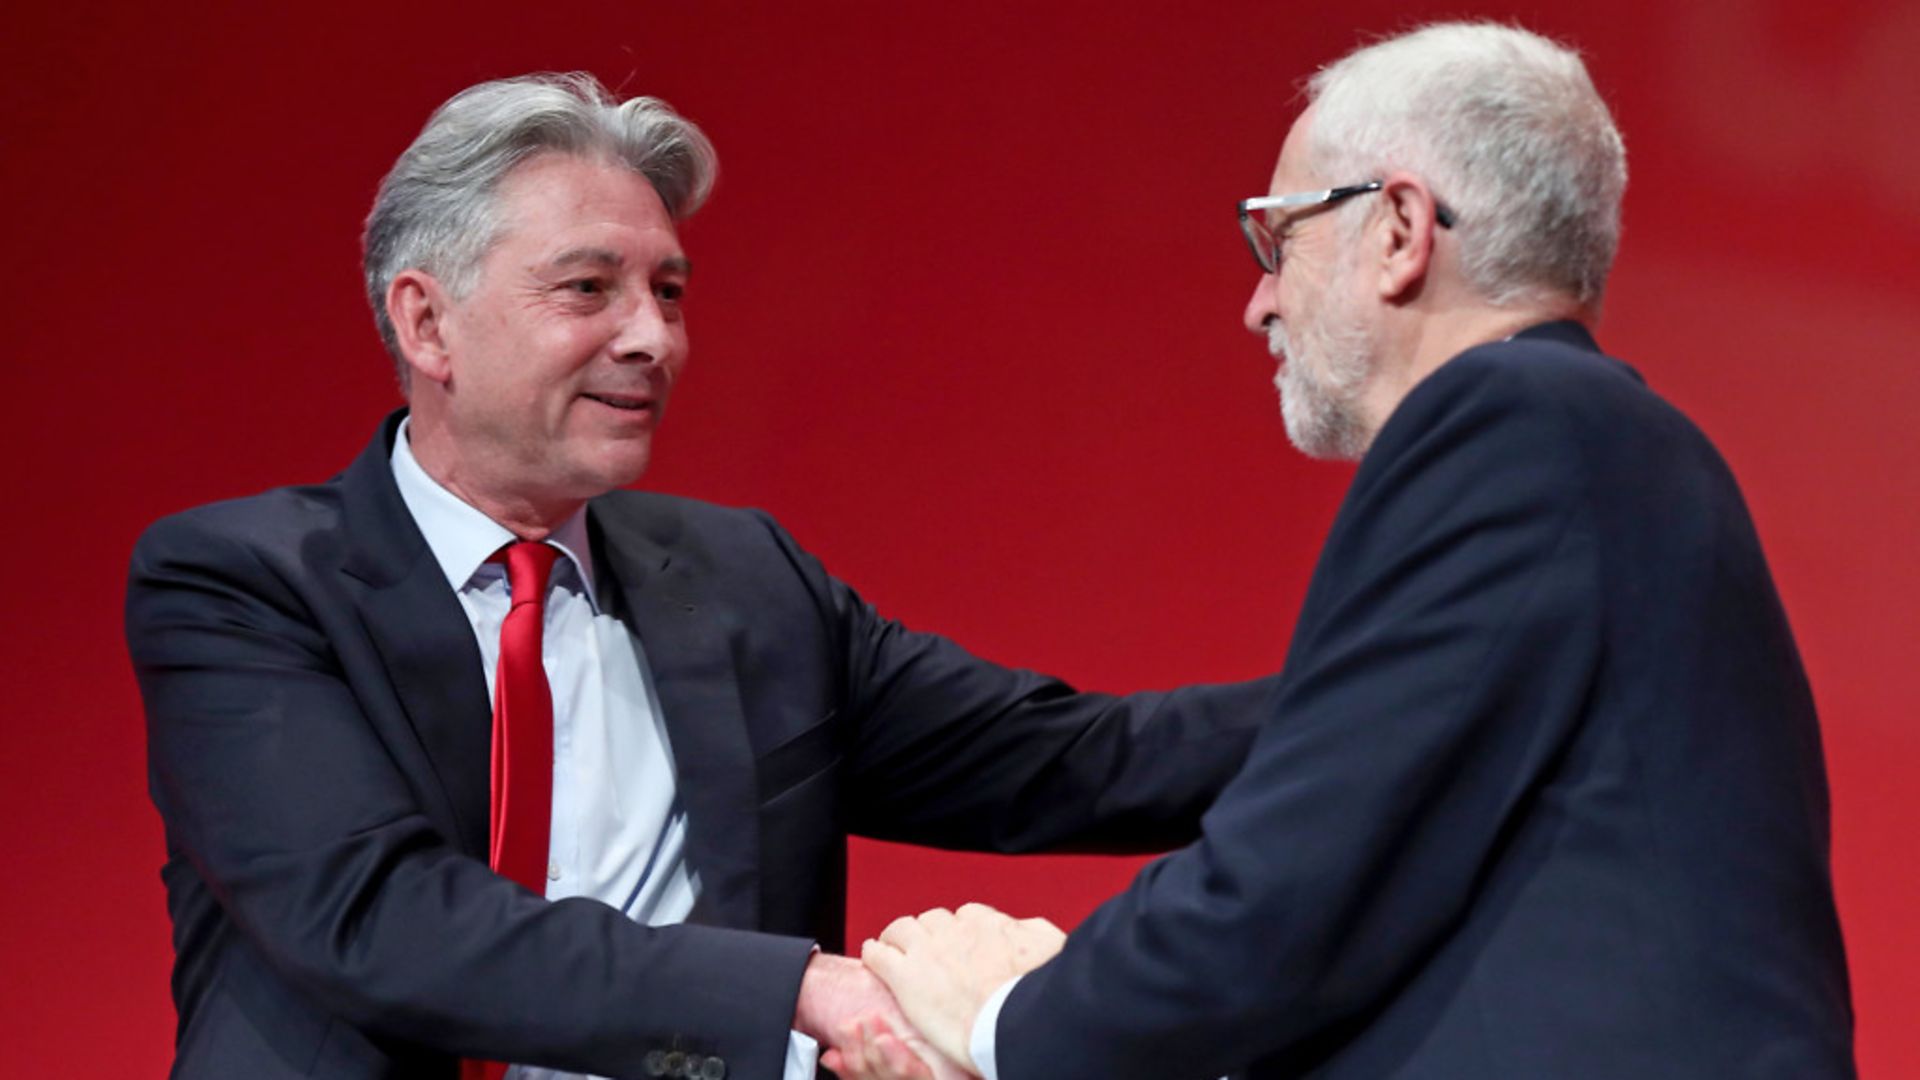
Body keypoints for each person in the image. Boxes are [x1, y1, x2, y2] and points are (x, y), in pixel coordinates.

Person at [124, 74, 1273, 1080]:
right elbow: (379, 920)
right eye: (589, 291)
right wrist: (795, 991)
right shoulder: (241, 585)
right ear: (428, 323)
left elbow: (1078, 761)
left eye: (668, 292)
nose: (653, 340)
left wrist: (1405, 689)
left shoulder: (742, 580)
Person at [861, 22, 1856, 1080]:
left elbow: (1285, 894)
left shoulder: (1505, 419)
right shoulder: (1606, 446)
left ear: (1398, 230)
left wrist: (1000, 1017)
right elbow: (1367, 802)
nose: (1259, 302)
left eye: (1276, 239)